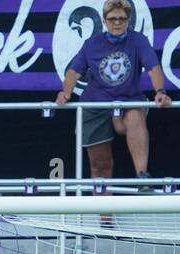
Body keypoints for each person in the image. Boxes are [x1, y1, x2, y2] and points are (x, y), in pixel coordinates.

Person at [55, 0, 172, 189]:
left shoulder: (138, 40)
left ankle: (142, 176)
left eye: (121, 18)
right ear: (104, 20)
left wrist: (160, 92)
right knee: (100, 165)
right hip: (95, 106)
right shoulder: (91, 44)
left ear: (128, 20)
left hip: (128, 101)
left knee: (135, 115)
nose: (117, 23)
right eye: (112, 19)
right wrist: (65, 93)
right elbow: (73, 72)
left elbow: (153, 67)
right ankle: (105, 217)